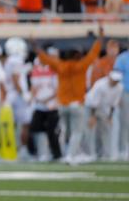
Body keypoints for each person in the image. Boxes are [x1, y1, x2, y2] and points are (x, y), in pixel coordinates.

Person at [35, 30, 103, 164]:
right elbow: (94, 52)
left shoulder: (60, 66)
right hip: (76, 104)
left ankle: (72, 153)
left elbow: (45, 59)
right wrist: (100, 37)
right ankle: (71, 155)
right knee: (77, 132)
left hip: (62, 104)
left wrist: (35, 46)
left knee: (66, 132)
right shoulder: (82, 65)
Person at [28, 51, 62, 161]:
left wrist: (47, 99)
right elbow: (34, 87)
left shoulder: (53, 71)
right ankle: (41, 152)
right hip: (39, 105)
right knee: (36, 128)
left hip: (51, 105)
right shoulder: (35, 72)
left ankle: (56, 154)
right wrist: (32, 99)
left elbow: (57, 89)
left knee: (52, 131)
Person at [85, 71, 124, 161]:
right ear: (109, 78)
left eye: (116, 80)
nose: (114, 82)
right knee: (90, 130)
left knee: (105, 130)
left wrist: (110, 117)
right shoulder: (100, 85)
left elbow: (113, 104)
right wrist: (92, 117)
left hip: (104, 108)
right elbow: (94, 102)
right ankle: (90, 154)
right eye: (113, 80)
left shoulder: (119, 88)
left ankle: (104, 153)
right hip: (90, 107)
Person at [3, 37, 32, 159]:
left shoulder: (10, 60)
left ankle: (13, 150)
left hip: (10, 95)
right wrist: (23, 93)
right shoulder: (15, 59)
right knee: (24, 123)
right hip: (16, 95)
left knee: (12, 125)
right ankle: (21, 150)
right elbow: (15, 79)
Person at [116, 43, 129, 159]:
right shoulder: (122, 58)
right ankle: (123, 149)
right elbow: (117, 76)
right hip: (125, 92)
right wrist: (118, 95)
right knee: (125, 122)